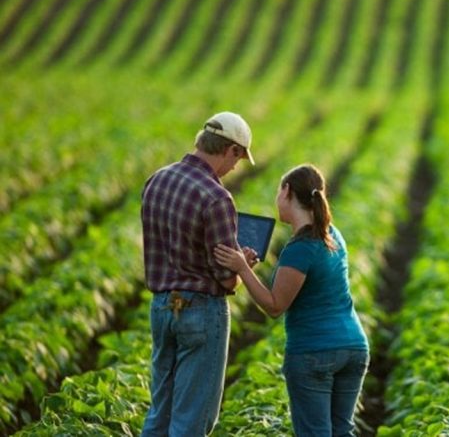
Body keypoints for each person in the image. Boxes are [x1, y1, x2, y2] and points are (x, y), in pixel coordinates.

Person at [214, 164, 370, 436]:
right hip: (354, 347)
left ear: (286, 192)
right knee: (342, 431)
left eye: (278, 191)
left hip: (315, 351)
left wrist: (242, 268)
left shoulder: (300, 249)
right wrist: (247, 266)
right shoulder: (333, 235)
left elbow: (275, 306)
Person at [140, 111, 259, 436]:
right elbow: (225, 278)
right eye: (238, 158)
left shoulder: (157, 180)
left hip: (162, 307)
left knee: (159, 413)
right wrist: (242, 264)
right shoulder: (217, 197)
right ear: (230, 150)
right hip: (201, 312)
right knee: (192, 421)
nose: (235, 167)